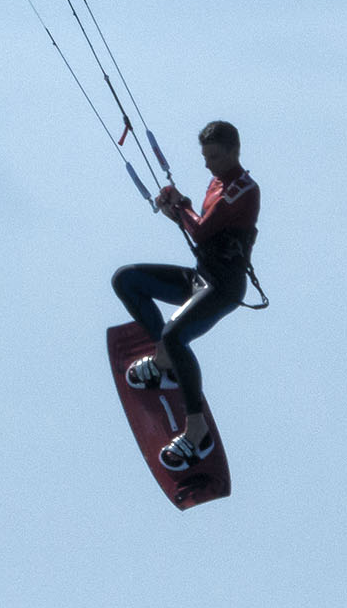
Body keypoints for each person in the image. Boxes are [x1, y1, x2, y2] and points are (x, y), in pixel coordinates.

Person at [111, 120, 260, 471]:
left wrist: (179, 208)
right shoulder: (217, 182)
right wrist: (180, 208)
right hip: (201, 278)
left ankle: (197, 432)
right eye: (204, 156)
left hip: (223, 286)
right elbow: (201, 226)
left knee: (175, 336)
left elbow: (204, 231)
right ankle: (165, 361)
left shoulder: (243, 189)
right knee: (126, 280)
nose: (207, 163)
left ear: (234, 151)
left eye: (214, 156)